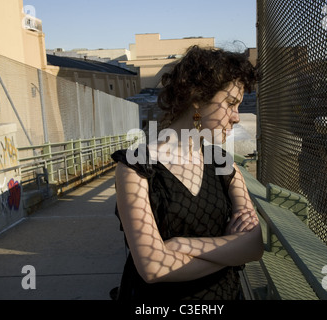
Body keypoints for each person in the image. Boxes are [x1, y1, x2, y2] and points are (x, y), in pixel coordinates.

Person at [111, 45, 263, 300]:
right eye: (230, 104)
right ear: (197, 98)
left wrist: (183, 245)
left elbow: (254, 245)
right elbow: (153, 267)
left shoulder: (224, 165)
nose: (236, 117)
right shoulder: (135, 167)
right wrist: (230, 249)